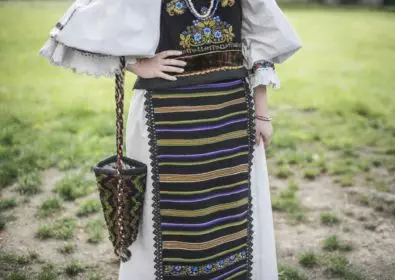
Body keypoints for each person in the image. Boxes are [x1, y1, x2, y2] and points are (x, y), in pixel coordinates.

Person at [39, 0, 302, 279]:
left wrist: (262, 113)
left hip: (230, 114)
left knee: (232, 212)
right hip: (166, 115)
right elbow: (89, 21)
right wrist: (136, 64)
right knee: (175, 217)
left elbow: (259, 39)